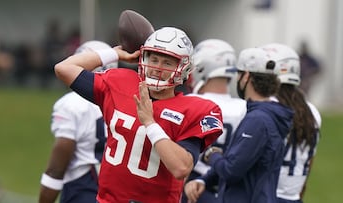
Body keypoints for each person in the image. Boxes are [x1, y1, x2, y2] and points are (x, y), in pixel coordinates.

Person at [54, 27, 223, 203]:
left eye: (167, 63)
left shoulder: (193, 109)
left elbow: (181, 168)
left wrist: (150, 123)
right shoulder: (120, 83)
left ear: (183, 68)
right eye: (154, 59)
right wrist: (114, 54)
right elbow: (64, 68)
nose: (157, 68)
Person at [184, 47, 294, 203]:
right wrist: (205, 180)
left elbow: (231, 170)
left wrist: (212, 155)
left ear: (246, 76)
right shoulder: (265, 114)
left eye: (239, 74)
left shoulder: (258, 119)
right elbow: (241, 161)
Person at [39, 40, 116, 203]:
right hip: (116, 192)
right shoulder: (125, 101)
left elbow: (56, 168)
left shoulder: (72, 104)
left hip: (83, 188)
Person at [181, 39, 246, 203]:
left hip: (192, 188)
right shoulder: (245, 108)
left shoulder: (190, 102)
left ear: (202, 68)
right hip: (229, 187)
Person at [261, 43, 322, 203]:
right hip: (293, 195)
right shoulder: (311, 111)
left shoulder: (265, 108)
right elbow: (309, 161)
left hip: (265, 195)